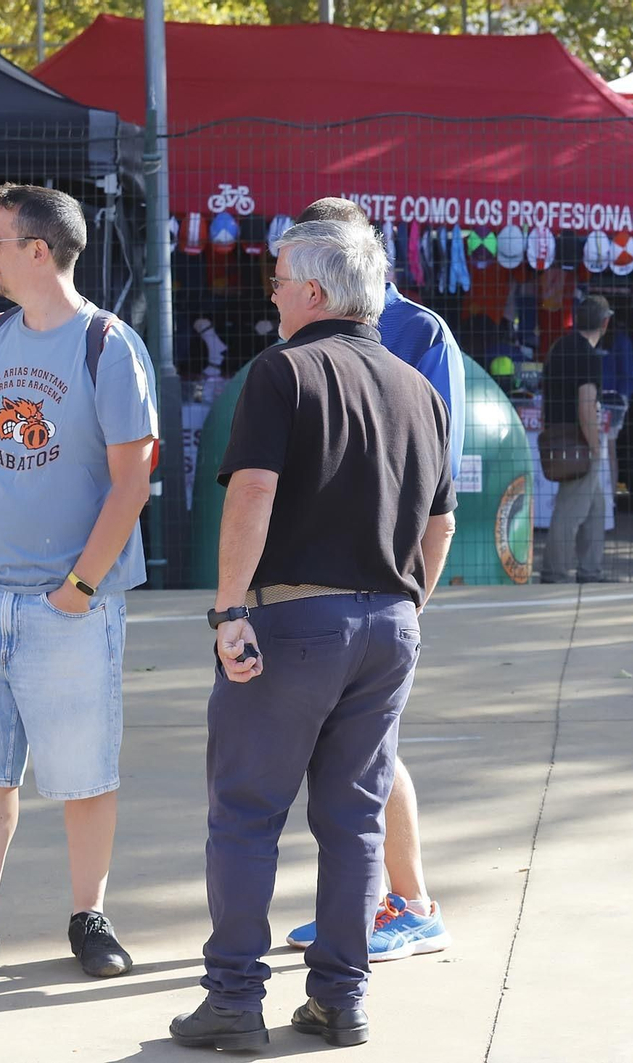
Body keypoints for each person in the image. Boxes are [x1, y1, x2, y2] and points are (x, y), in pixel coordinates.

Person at [169, 220, 455, 1050]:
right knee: (355, 820)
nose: (272, 290)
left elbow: (252, 489)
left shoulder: (283, 371)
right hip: (387, 625)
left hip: (292, 622)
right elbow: (440, 525)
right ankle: (339, 997)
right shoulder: (419, 389)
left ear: (317, 292)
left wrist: (230, 610)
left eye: (279, 277)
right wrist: (409, 610)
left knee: (247, 814)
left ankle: (233, 998)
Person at [0, 183, 156, 987]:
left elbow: (132, 484)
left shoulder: (109, 344)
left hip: (72, 608)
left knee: (84, 774)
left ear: (37, 249)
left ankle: (89, 916)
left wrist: (80, 589)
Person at [277, 198, 458, 967]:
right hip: (323, 583)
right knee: (344, 754)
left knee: (374, 750)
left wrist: (415, 593)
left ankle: (410, 902)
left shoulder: (418, 332)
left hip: (380, 583)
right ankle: (360, 903)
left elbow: (437, 479)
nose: (285, 279)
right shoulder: (307, 321)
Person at [540, 295, 612, 584]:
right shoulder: (588, 356)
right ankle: (553, 572)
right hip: (580, 443)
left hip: (560, 440)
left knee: (596, 509)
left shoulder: (559, 348)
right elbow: (586, 405)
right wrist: (595, 446)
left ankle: (590, 570)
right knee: (570, 512)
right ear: (605, 323)